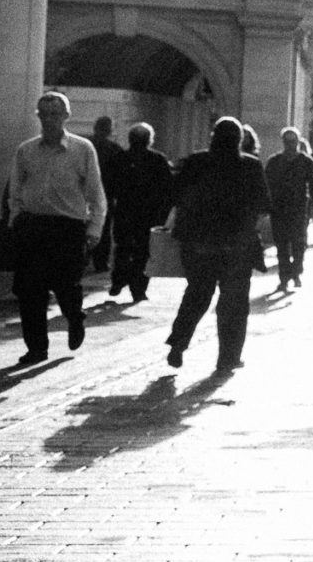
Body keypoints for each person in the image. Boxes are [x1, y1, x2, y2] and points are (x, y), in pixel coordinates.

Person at [6, 91, 107, 364]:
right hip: (34, 226)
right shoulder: (26, 150)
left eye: (55, 115)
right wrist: (16, 219)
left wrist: (94, 230)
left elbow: (95, 194)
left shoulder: (82, 149)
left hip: (68, 227)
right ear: (38, 117)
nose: (49, 120)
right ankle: (37, 347)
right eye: (44, 114)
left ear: (66, 117)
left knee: (66, 286)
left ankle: (75, 318)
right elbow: (15, 189)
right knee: (30, 291)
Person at [164, 116, 269, 372]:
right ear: (239, 140)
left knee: (197, 294)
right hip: (236, 246)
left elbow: (174, 194)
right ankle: (228, 357)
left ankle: (179, 342)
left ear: (213, 137)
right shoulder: (251, 166)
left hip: (198, 244)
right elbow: (264, 204)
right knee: (234, 303)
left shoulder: (195, 162)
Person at [109, 121, 176, 304]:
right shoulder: (158, 160)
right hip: (149, 214)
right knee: (144, 252)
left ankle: (119, 279)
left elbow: (109, 186)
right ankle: (138, 288)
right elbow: (169, 189)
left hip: (124, 211)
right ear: (149, 140)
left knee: (122, 247)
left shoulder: (119, 158)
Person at [265, 127, 313, 290]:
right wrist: (264, 206)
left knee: (299, 244)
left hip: (298, 210)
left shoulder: (306, 162)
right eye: (287, 141)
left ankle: (296, 272)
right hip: (278, 210)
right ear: (283, 142)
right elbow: (265, 185)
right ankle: (284, 278)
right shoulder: (274, 161)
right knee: (282, 246)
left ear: (298, 142)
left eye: (293, 141)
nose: (290, 145)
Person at [88, 115, 126, 273]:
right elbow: (121, 175)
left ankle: (84, 258)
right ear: (110, 130)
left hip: (85, 193)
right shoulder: (115, 149)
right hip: (106, 193)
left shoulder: (87, 145)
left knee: (84, 225)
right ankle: (100, 262)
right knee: (104, 229)